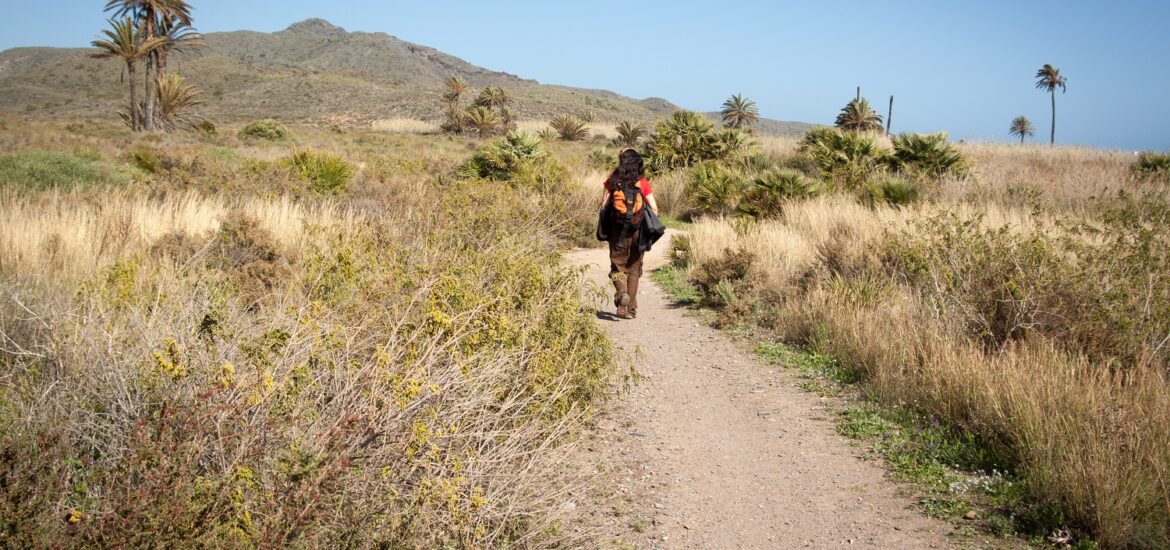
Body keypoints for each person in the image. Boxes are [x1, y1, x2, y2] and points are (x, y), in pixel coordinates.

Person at [599, 148, 658, 319]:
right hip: (637, 231)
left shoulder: (612, 182)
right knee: (634, 268)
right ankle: (630, 310)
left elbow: (603, 206)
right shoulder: (642, 183)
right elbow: (654, 208)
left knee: (617, 267)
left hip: (616, 231)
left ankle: (622, 292)